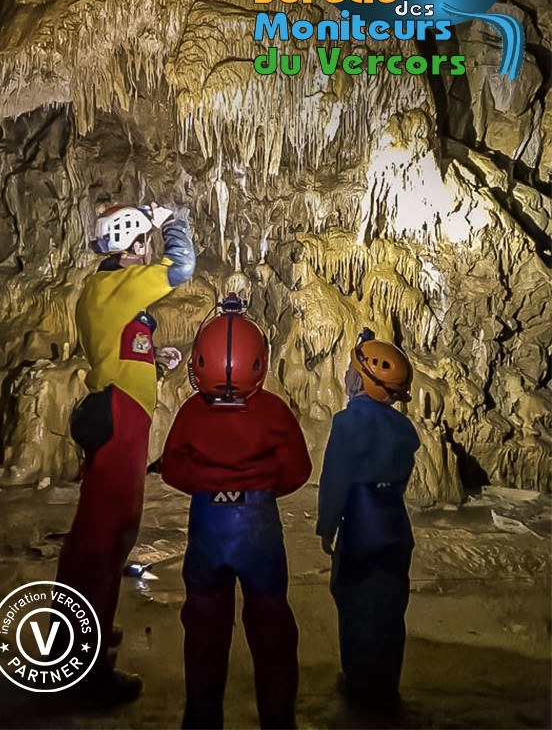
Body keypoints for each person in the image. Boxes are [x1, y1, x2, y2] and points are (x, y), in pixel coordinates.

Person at [55, 202, 195, 700]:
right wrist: (171, 220)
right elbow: (183, 265)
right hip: (119, 417)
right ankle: (83, 668)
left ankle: (79, 629)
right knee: (105, 536)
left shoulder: (105, 291)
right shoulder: (117, 283)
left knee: (102, 530)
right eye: (145, 244)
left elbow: (119, 347)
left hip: (119, 410)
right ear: (132, 245)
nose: (149, 252)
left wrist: (154, 359)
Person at [162, 293, 312, 729]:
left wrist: (209, 486)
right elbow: (298, 470)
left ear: (200, 361)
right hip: (258, 524)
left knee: (205, 626)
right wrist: (260, 489)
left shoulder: (192, 411)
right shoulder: (273, 411)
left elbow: (173, 469)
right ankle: (278, 720)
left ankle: (202, 719)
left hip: (209, 524)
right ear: (259, 363)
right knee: (271, 624)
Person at [316, 328, 420, 714]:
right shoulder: (403, 428)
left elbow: (336, 478)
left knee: (355, 602)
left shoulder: (347, 422)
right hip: (395, 522)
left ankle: (360, 685)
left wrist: (327, 525)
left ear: (363, 381)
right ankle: (386, 683)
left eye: (351, 370)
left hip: (361, 524)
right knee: (391, 606)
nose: (346, 375)